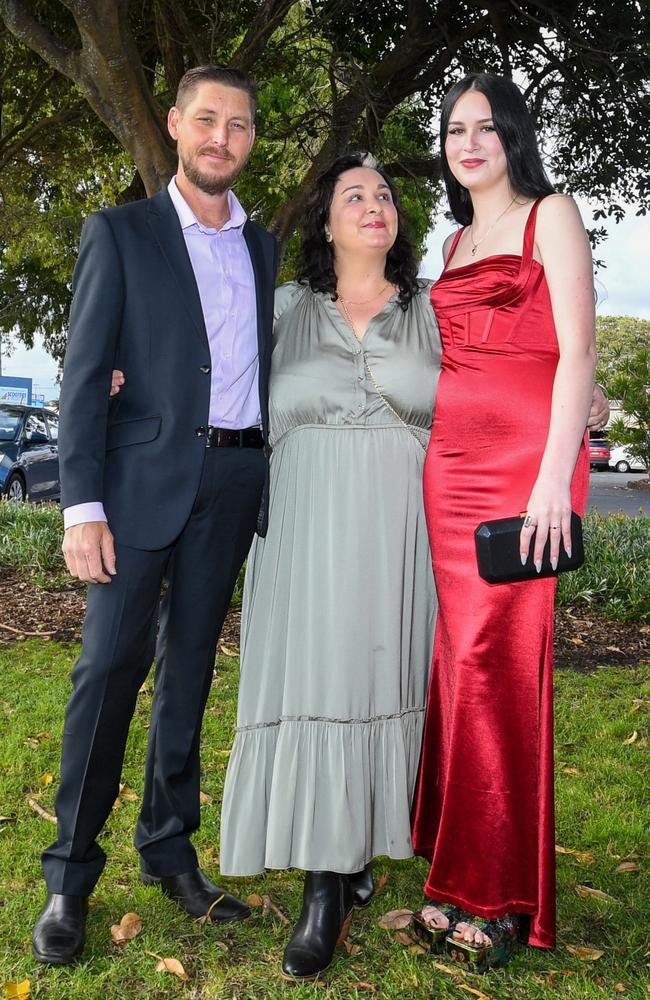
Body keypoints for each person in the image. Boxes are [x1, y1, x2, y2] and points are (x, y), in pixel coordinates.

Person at [31, 65, 278, 966]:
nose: (222, 137)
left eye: (239, 125)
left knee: (188, 683)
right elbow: (86, 373)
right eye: (206, 119)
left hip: (232, 486)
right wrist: (81, 505)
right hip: (135, 493)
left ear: (253, 139)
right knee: (107, 675)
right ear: (175, 124)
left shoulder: (266, 249)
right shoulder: (120, 234)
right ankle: (69, 876)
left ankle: (171, 852)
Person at [217, 153, 441, 981]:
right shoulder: (281, 309)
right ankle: (324, 883)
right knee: (317, 680)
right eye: (355, 194)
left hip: (402, 527)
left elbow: (506, 384)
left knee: (383, 677)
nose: (375, 204)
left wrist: (585, 393)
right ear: (325, 218)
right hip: (306, 524)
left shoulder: (434, 311)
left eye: (385, 195)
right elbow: (207, 367)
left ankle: (355, 857)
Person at [410, 73, 597, 965]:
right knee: (461, 666)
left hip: (528, 472)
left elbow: (578, 351)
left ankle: (498, 896)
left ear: (513, 136)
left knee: (497, 666)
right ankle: (462, 870)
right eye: (455, 129)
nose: (470, 141)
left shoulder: (548, 215)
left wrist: (556, 477)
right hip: (449, 471)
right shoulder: (449, 244)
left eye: (487, 127)